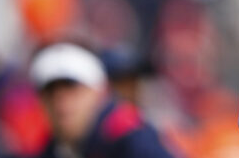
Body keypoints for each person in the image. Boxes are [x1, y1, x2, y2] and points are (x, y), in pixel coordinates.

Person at [29, 43, 177, 158]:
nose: (61, 102)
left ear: (99, 91)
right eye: (50, 92)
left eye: (72, 89)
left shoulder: (131, 140)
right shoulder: (49, 149)